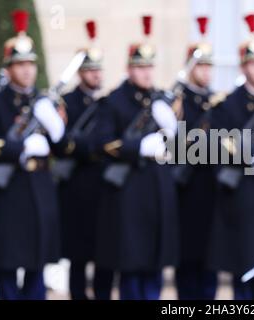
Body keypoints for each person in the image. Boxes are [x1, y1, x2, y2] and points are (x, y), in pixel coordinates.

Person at [94, 15, 179, 300]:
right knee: (131, 265)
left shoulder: (160, 100)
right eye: (140, 67)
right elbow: (104, 143)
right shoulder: (114, 100)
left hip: (157, 188)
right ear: (129, 68)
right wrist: (138, 147)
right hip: (129, 192)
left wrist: (173, 129)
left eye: (150, 67)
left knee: (154, 263)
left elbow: (182, 146)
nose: (146, 73)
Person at [0, 10, 63, 300]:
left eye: (31, 64)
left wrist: (56, 129)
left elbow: (63, 145)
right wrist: (21, 148)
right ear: (8, 68)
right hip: (10, 191)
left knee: (37, 263)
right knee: (7, 264)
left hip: (40, 187)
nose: (28, 70)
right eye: (20, 65)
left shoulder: (41, 101)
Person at [208, 13, 254, 300]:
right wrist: (252, 150)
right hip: (242, 193)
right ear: (243, 66)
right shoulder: (228, 104)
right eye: (253, 63)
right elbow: (216, 145)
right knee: (243, 269)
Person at [53, 20, 113, 300]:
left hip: (101, 186)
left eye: (98, 69)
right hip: (76, 186)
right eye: (90, 70)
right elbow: (64, 143)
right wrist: (93, 146)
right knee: (78, 256)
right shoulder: (67, 103)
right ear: (80, 73)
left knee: (104, 254)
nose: (96, 75)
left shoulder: (106, 103)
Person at [171, 16, 218, 300]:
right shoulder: (179, 101)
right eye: (201, 65)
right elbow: (174, 144)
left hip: (210, 186)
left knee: (209, 257)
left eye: (209, 65)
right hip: (186, 188)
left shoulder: (215, 101)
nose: (206, 71)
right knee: (187, 257)